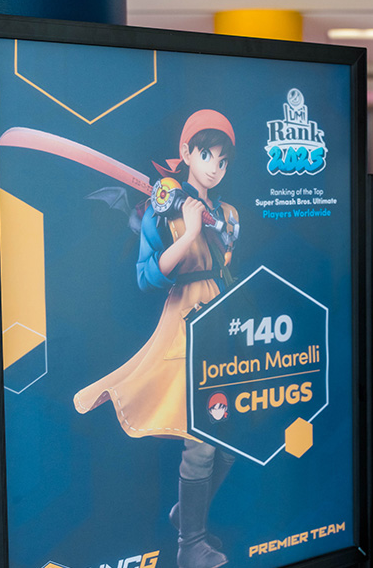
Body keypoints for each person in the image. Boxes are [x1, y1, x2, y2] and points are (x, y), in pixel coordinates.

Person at [74, 109, 240, 568]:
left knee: (229, 436)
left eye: (223, 161)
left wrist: (211, 228)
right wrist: (188, 234)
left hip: (219, 320)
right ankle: (190, 545)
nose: (214, 167)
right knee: (200, 437)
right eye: (206, 155)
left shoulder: (228, 214)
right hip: (184, 321)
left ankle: (187, 516)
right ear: (186, 152)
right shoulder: (163, 209)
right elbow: (147, 277)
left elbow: (227, 266)